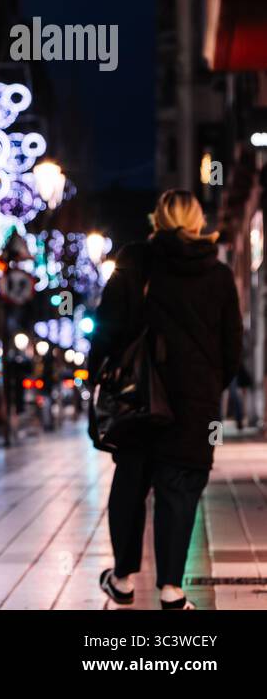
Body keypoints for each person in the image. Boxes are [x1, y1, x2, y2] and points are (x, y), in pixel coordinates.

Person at [91, 189, 242, 610]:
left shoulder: (135, 261)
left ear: (157, 218)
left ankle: (121, 577)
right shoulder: (218, 274)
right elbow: (232, 350)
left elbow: (107, 325)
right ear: (197, 223)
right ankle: (171, 590)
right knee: (181, 490)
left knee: (130, 485)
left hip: (139, 400)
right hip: (196, 409)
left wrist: (96, 371)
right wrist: (209, 385)